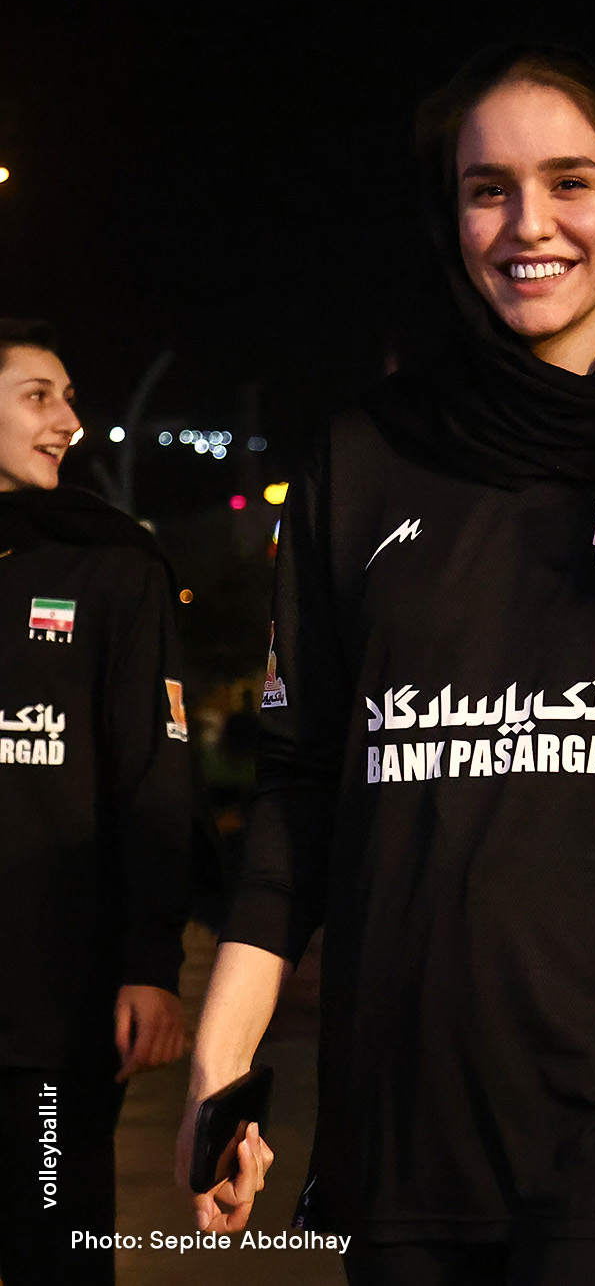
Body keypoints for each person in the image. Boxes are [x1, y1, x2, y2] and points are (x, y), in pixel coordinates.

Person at [174, 45, 595, 1286]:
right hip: (405, 1118)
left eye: (569, 181)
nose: (527, 224)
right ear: (448, 217)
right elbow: (299, 784)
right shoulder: (361, 457)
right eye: (486, 189)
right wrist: (219, 1061)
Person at [0, 319, 191, 1285]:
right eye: (39, 395)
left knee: (50, 1238)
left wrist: (152, 962)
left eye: (69, 397)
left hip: (50, 1018)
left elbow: (154, 776)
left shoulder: (112, 565)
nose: (68, 421)